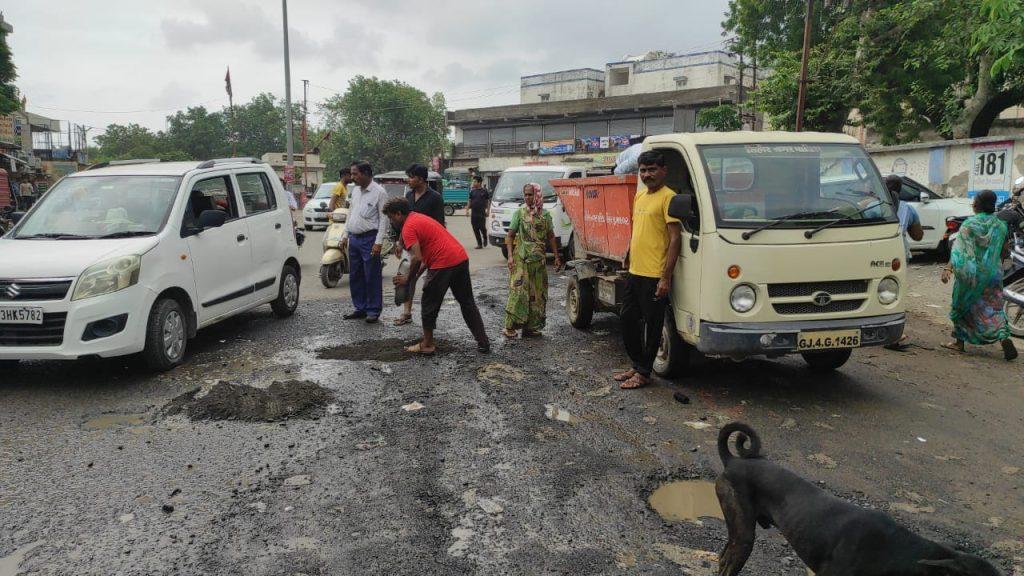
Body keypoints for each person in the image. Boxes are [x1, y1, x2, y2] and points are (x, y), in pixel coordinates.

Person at [385, 198, 490, 355]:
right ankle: (483, 342)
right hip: (459, 258)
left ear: (399, 214)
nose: (391, 221)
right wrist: (414, 276)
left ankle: (427, 344)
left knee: (428, 302)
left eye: (391, 217)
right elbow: (427, 256)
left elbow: (417, 258)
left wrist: (407, 279)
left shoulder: (408, 228)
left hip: (443, 263)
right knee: (467, 302)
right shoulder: (419, 218)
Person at [615, 150, 682, 389]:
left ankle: (644, 373)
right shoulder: (640, 197)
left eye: (652, 169)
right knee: (626, 319)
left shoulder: (669, 197)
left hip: (655, 273)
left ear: (663, 171)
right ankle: (636, 365)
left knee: (653, 326)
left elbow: (675, 239)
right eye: (643, 170)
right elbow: (639, 229)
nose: (647, 174)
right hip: (636, 270)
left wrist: (665, 277)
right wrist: (628, 251)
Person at [940, 189, 1018, 360]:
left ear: (977, 205)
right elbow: (1005, 251)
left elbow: (960, 252)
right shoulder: (1000, 225)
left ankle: (959, 343)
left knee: (962, 305)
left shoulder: (969, 224)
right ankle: (1003, 336)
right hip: (992, 274)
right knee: (994, 307)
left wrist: (948, 268)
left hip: (971, 274)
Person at [503, 183, 560, 338]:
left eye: (530, 194)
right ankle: (509, 327)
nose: (528, 197)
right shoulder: (519, 214)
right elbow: (510, 236)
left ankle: (531, 327)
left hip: (539, 262)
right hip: (521, 260)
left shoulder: (545, 215)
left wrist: (556, 256)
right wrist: (509, 256)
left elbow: (551, 236)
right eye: (526, 194)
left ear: (537, 195)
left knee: (537, 295)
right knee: (519, 292)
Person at [393, 164, 447, 326]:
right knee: (409, 277)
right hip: (411, 246)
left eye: (411, 177)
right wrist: (400, 242)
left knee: (429, 282)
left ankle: (430, 316)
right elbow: (405, 223)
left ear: (421, 179)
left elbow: (440, 225)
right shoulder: (408, 196)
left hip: (431, 248)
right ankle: (407, 312)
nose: (408, 180)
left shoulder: (435, 198)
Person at [883, 176, 924, 351]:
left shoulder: (871, 206)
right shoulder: (908, 209)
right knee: (894, 296)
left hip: (872, 255)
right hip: (897, 257)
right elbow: (918, 236)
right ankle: (892, 335)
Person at [344, 161, 388, 323]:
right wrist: (345, 235)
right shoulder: (355, 191)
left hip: (370, 239)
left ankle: (373, 310)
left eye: (355, 174)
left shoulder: (379, 192)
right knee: (355, 275)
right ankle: (360, 308)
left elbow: (384, 219)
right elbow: (351, 213)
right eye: (352, 174)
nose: (352, 177)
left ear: (366, 174)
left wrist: (378, 242)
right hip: (354, 238)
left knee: (371, 275)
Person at [466, 175, 491, 249]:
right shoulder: (472, 191)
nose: (473, 183)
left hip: (482, 213)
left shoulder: (484, 191)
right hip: (474, 213)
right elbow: (469, 201)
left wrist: (488, 211)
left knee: (482, 227)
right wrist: (467, 210)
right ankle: (479, 244)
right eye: (473, 181)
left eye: (475, 181)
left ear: (479, 182)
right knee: (475, 228)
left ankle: (485, 238)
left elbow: (488, 202)